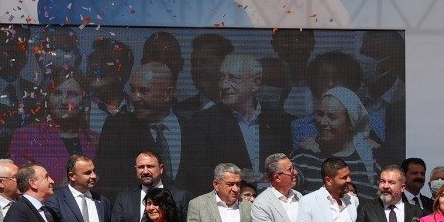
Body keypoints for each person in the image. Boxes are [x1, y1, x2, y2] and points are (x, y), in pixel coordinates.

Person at [183, 53, 292, 182]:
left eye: (233, 78)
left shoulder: (278, 121)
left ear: (255, 83)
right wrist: (236, 177)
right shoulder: (203, 122)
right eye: (222, 77)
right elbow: (195, 173)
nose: (224, 85)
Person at [97, 63, 189, 185]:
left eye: (144, 91)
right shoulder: (117, 128)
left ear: (168, 94)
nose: (135, 98)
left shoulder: (192, 128)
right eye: (133, 90)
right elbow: (106, 180)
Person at [10, 71, 99, 184]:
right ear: (47, 98)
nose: (64, 101)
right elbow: (22, 185)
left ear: (84, 100)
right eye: (57, 93)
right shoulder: (26, 136)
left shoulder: (95, 140)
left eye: (72, 94)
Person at [294, 86, 380, 197]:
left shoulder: (370, 161)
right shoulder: (304, 156)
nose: (323, 122)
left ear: (351, 124)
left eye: (332, 117)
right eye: (320, 114)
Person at [52, 155, 110, 222]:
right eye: (87, 173)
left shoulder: (103, 201)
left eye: (94, 171)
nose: (94, 176)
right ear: (72, 176)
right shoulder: (56, 198)